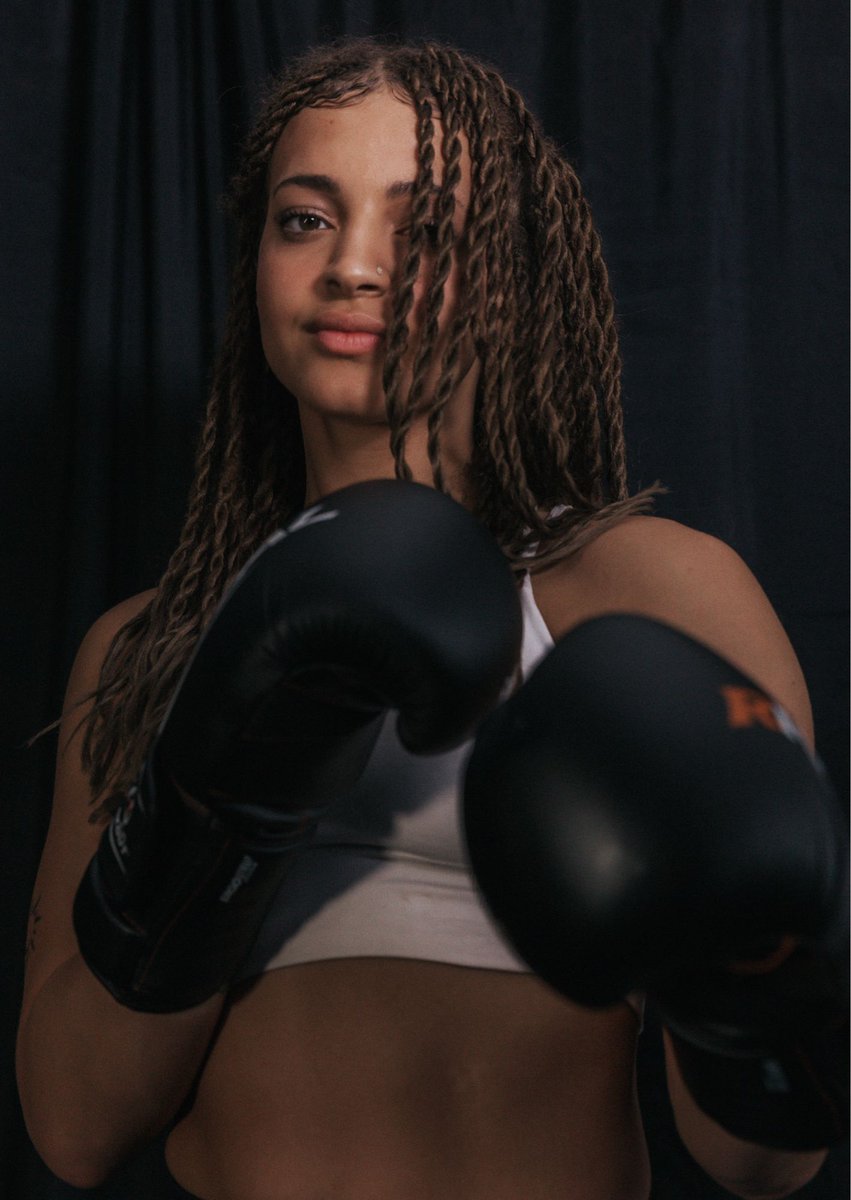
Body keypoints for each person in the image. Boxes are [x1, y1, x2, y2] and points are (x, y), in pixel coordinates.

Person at [16, 37, 843, 1200]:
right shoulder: (149, 646)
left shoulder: (648, 590)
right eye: (305, 218)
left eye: (425, 228)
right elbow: (72, 1130)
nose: (354, 267)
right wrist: (209, 818)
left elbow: (766, 1159)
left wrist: (749, 964)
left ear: (509, 273)